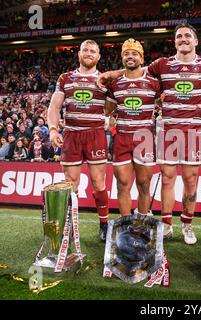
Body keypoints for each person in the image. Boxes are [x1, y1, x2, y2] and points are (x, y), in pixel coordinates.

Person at [98, 24, 201, 245]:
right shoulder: (161, 65)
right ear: (174, 41)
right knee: (167, 179)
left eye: (187, 35)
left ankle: (187, 225)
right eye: (178, 36)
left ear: (196, 41)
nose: (183, 39)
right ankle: (167, 225)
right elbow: (134, 72)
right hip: (168, 130)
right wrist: (114, 73)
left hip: (194, 131)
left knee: (190, 180)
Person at [47, 40, 110, 242]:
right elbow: (54, 107)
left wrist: (112, 118)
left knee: (99, 183)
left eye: (93, 51)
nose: (89, 53)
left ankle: (104, 224)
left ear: (99, 56)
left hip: (95, 134)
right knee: (70, 183)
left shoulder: (105, 79)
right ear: (79, 54)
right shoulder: (66, 78)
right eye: (85, 50)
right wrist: (53, 130)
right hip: (72, 135)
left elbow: (116, 104)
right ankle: (69, 224)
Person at [105, 39, 161, 217]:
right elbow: (106, 110)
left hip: (144, 138)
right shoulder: (115, 85)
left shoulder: (154, 83)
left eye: (134, 53)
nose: (130, 57)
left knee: (144, 184)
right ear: (122, 58)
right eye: (126, 54)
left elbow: (166, 103)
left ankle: (142, 223)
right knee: (122, 184)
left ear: (142, 59)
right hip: (122, 138)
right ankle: (125, 225)